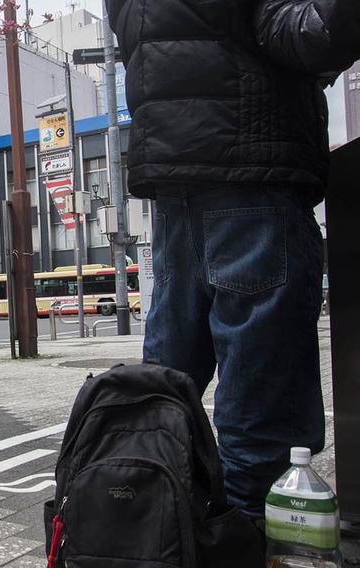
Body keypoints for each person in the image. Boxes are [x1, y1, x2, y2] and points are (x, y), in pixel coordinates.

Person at [106, 0, 360, 519]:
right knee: (263, 422)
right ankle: (249, 541)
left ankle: (150, 534)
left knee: (165, 398)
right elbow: (299, 31)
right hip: (252, 171)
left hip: (175, 186)